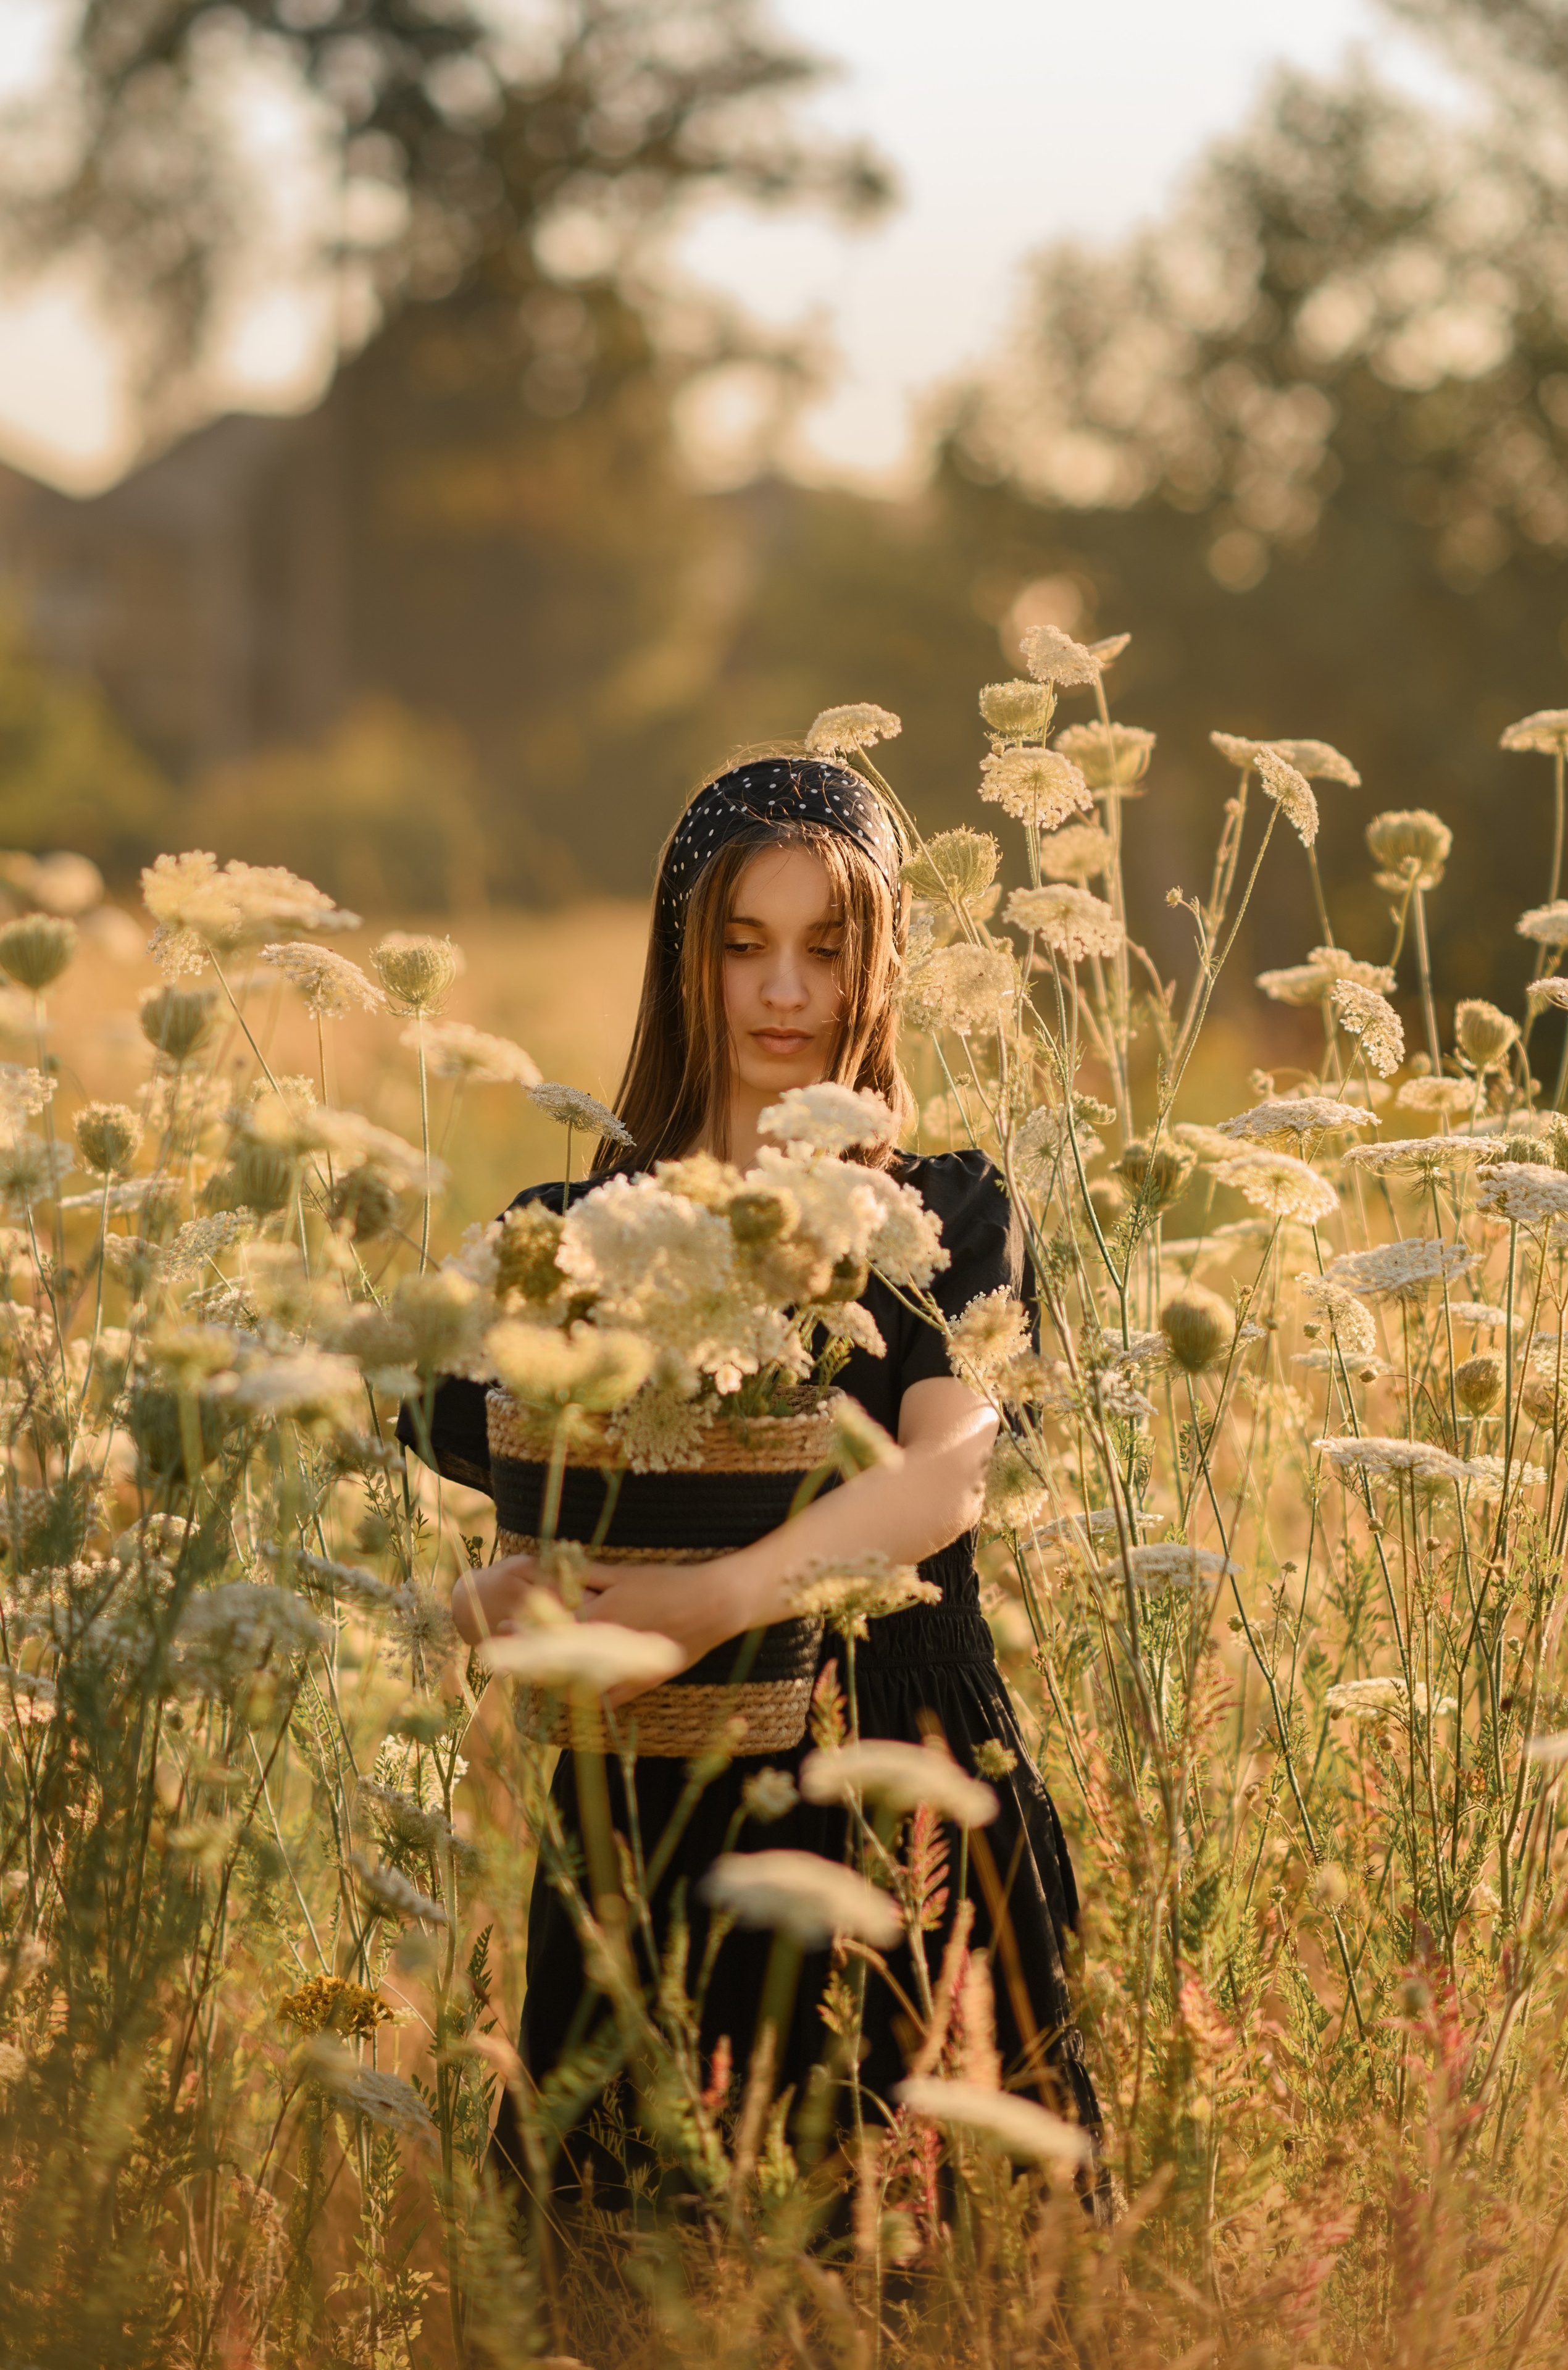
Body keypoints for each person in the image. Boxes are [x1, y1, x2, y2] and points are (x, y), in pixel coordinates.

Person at [401, 750, 1103, 2205]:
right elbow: (511, 1514)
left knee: (910, 2250)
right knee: (622, 2262)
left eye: (827, 948)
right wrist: (489, 1606)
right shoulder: (572, 1231)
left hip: (895, 1761)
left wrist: (708, 1598)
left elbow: (941, 1482)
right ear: (684, 960)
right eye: (743, 945)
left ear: (877, 966)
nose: (785, 990)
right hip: (649, 1805)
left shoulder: (939, 1212)